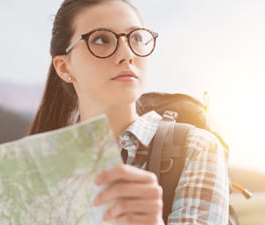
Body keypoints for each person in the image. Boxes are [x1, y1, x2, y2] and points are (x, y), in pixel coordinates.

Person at [29, 0, 229, 224]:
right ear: (64, 67)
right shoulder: (36, 167)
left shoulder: (196, 148)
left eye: (136, 38)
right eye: (101, 39)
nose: (126, 54)